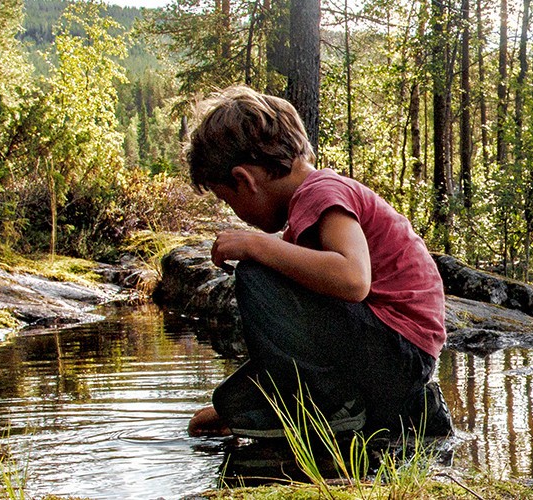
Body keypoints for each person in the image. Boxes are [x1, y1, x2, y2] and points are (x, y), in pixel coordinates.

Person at [182, 86, 452, 440]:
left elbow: (353, 279)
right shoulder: (309, 208)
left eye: (227, 200)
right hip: (393, 360)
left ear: (243, 180)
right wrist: (231, 411)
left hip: (399, 354)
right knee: (230, 402)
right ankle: (405, 409)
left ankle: (333, 408)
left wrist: (257, 245)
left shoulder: (321, 192)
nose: (235, 213)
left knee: (254, 273)